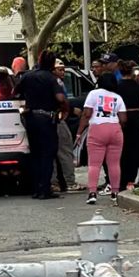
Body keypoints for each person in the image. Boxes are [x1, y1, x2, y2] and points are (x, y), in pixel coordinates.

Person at [15, 51, 67, 200]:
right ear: (52, 64)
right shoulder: (52, 78)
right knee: (48, 154)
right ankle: (45, 189)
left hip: (30, 118)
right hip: (46, 119)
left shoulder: (27, 76)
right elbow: (60, 97)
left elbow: (15, 91)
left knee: (35, 154)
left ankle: (36, 189)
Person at [77, 74, 127, 206]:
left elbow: (87, 114)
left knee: (94, 164)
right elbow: (123, 119)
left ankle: (92, 193)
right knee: (114, 164)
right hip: (115, 129)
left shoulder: (93, 94)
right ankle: (115, 192)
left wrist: (79, 133)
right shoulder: (118, 97)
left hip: (97, 128)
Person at [116, 60, 139, 189]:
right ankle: (135, 178)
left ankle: (123, 179)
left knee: (123, 150)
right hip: (137, 119)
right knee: (137, 149)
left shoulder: (117, 87)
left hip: (121, 119)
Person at [50, 59, 83, 193]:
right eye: (59, 69)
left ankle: (54, 183)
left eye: (63, 69)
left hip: (47, 120)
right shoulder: (55, 82)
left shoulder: (46, 81)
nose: (62, 72)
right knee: (65, 149)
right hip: (57, 119)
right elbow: (61, 100)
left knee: (51, 153)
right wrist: (70, 109)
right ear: (53, 70)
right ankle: (69, 182)